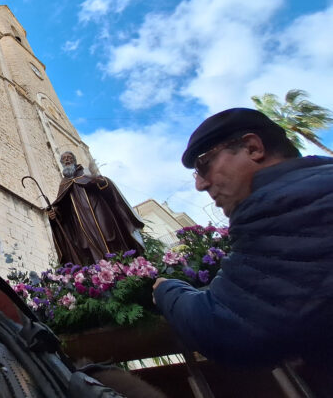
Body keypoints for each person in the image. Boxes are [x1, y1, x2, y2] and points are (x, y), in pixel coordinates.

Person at [152, 108, 333, 366]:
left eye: (204, 165)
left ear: (252, 148)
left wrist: (166, 289)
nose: (200, 185)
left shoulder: (283, 209)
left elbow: (228, 328)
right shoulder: (309, 189)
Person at [47, 151, 145, 266]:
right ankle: (99, 273)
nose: (67, 160)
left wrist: (100, 181)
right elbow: (61, 206)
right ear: (62, 163)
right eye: (64, 159)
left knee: (109, 237)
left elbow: (106, 188)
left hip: (99, 212)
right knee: (89, 247)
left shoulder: (85, 173)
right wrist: (55, 214)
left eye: (69, 158)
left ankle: (121, 267)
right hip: (79, 222)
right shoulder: (64, 183)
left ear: (75, 160)